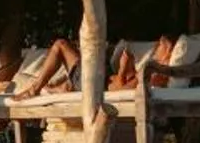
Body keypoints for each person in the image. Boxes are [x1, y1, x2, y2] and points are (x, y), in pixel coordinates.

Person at [9, 33, 180, 96]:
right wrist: (130, 67)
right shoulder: (153, 69)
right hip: (98, 80)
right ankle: (59, 87)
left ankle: (35, 89)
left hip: (96, 85)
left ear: (169, 52)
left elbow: (122, 90)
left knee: (61, 44)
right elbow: (130, 82)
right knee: (80, 50)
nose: (157, 47)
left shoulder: (158, 73)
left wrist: (122, 70)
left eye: (161, 46)